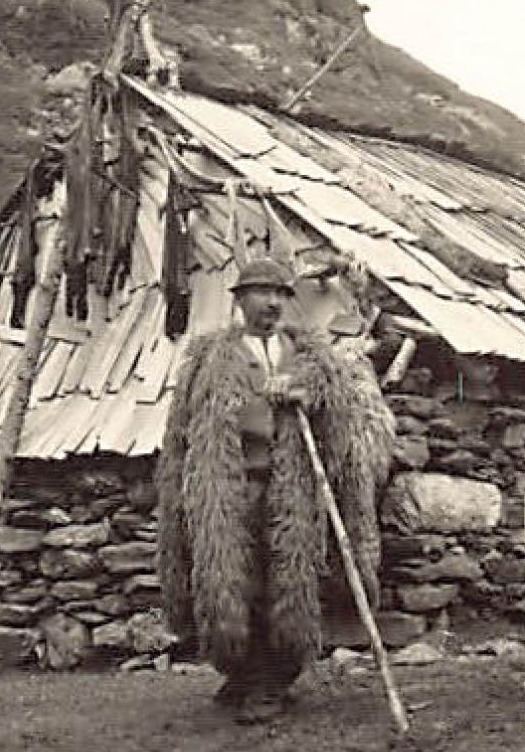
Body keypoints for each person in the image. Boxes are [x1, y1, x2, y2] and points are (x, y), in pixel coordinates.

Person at [155, 257, 395, 724]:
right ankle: (241, 671)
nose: (271, 304)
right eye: (260, 294)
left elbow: (343, 427)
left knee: (282, 583)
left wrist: (310, 395)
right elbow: (180, 431)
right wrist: (178, 489)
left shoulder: (311, 358)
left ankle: (272, 679)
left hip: (292, 491)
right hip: (224, 489)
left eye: (280, 295)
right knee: (228, 582)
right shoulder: (208, 358)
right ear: (240, 301)